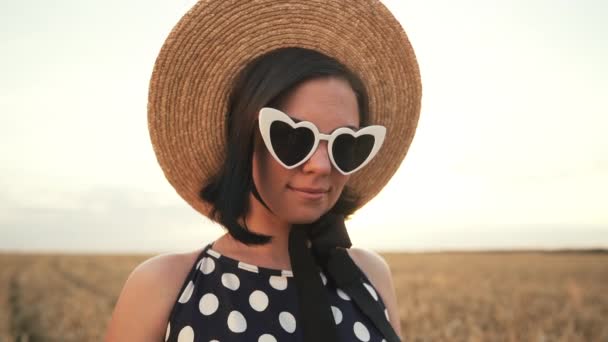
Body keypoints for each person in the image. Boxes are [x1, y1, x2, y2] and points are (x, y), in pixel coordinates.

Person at [105, 0, 421, 341]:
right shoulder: (163, 285)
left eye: (345, 145)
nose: (320, 165)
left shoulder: (369, 274)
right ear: (244, 140)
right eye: (294, 137)